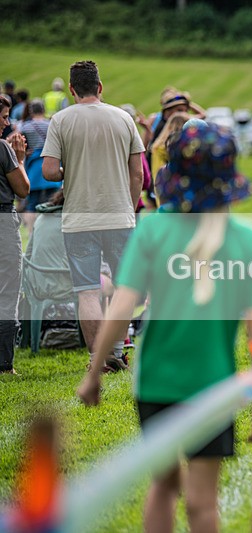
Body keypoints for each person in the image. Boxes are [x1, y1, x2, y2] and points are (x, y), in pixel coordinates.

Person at [77, 122, 252, 532]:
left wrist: (94, 373)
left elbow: (122, 308)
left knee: (162, 485)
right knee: (203, 503)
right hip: (214, 385)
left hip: (156, 382)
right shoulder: (247, 240)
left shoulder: (153, 230)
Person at [41, 60, 144, 372]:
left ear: (72, 90)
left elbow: (48, 171)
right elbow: (137, 173)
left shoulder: (60, 120)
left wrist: (68, 171)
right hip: (119, 216)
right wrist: (129, 206)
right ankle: (114, 351)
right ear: (100, 87)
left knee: (86, 290)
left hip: (79, 218)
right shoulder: (123, 118)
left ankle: (96, 359)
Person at [0, 95, 30, 375]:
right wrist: (19, 159)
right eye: (3, 116)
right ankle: (4, 364)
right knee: (8, 291)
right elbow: (22, 189)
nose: (7, 123)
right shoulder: (2, 148)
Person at [18, 99, 59, 230]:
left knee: (32, 203)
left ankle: (31, 232)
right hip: (50, 163)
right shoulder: (51, 125)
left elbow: (22, 146)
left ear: (31, 111)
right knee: (53, 201)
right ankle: (51, 230)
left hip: (34, 167)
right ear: (43, 110)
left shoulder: (26, 127)